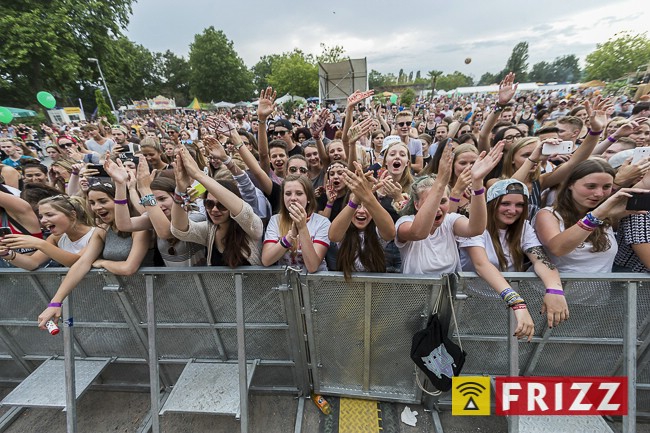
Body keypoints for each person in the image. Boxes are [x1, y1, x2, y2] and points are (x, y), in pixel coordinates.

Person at [458, 179, 569, 340]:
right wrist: (517, 303)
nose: (513, 210)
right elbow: (482, 264)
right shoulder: (474, 225)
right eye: (505, 203)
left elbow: (540, 260)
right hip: (472, 302)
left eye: (520, 205)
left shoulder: (523, 227)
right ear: (492, 203)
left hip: (504, 305)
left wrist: (554, 289)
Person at [37, 182, 152, 328]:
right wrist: (55, 302)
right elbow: (82, 263)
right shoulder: (102, 229)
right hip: (121, 301)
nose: (97, 207)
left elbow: (128, 268)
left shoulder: (140, 228)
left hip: (151, 297)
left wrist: (103, 262)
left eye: (103, 201)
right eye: (92, 203)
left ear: (120, 201)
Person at [395, 141, 503, 275]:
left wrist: (477, 182)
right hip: (415, 293)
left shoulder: (450, 221)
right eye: (431, 201)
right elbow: (419, 233)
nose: (437, 208)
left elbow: (476, 229)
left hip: (447, 294)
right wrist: (439, 184)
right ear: (416, 205)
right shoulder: (405, 222)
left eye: (443, 201)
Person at [534, 159, 647, 273]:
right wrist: (595, 217)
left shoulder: (606, 216)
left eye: (606, 187)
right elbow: (558, 249)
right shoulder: (548, 214)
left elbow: (645, 184)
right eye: (591, 186)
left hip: (600, 290)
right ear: (569, 184)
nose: (599, 193)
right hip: (556, 289)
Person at [106, 157, 207, 267]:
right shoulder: (152, 219)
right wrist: (120, 185)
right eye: (154, 200)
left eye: (162, 199)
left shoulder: (196, 217)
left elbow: (166, 232)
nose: (158, 205)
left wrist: (144, 189)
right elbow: (124, 224)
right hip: (175, 283)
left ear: (175, 196)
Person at [171, 147, 263, 267]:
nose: (214, 210)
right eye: (209, 204)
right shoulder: (210, 230)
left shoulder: (251, 228)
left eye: (222, 205)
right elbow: (179, 230)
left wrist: (199, 176)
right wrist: (180, 190)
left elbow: (244, 212)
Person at [328, 162, 395, 280]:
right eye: (357, 206)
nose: (362, 211)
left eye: (367, 206)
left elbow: (390, 232)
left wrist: (368, 196)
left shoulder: (377, 231)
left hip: (376, 291)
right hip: (348, 291)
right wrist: (357, 198)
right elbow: (333, 236)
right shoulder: (344, 230)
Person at [1, 195, 95, 270]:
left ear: (72, 214)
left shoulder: (96, 233)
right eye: (41, 216)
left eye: (49, 215)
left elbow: (78, 262)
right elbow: (33, 263)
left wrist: (39, 243)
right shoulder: (56, 238)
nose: (43, 221)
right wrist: (7, 254)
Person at [262, 175, 330, 273]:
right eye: (288, 194)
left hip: (315, 285)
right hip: (286, 285)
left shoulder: (322, 222)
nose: (293, 198)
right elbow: (266, 260)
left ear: (309, 198)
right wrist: (290, 236)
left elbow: (312, 266)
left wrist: (302, 228)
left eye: (299, 193)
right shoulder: (275, 220)